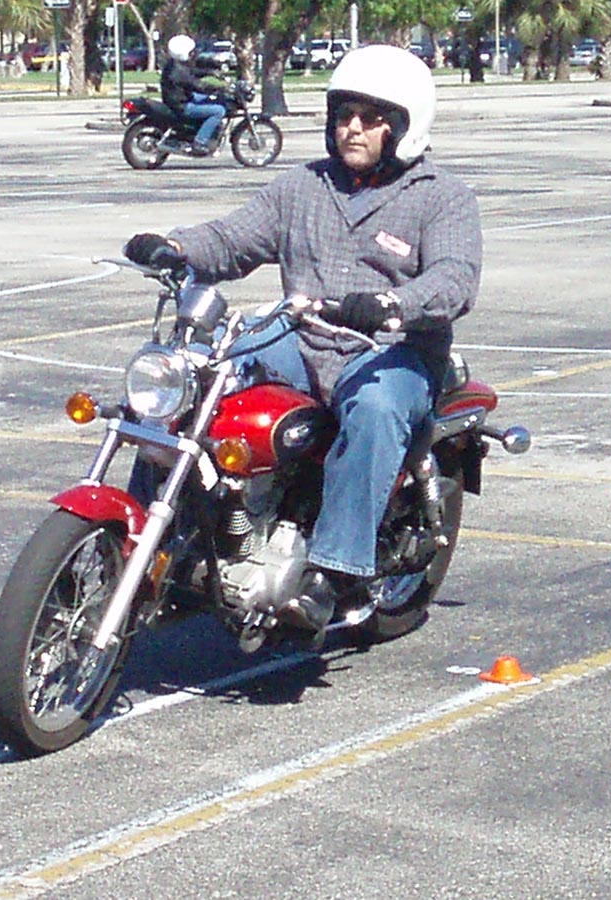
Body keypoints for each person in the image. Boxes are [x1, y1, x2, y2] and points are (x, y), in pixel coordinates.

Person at [123, 44, 482, 638]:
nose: (353, 128)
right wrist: (177, 247)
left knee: (375, 410)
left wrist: (394, 305)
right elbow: (234, 238)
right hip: (302, 336)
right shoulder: (304, 186)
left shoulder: (442, 197)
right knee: (194, 378)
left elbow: (454, 279)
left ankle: (332, 572)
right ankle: (155, 533)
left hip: (392, 351)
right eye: (344, 114)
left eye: (371, 118)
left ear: (404, 127)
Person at [160, 34, 226, 156]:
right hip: (182, 105)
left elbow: (192, 73)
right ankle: (199, 142)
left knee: (212, 100)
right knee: (218, 111)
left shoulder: (175, 65)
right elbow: (198, 86)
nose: (193, 54)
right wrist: (219, 88)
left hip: (182, 98)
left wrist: (210, 72)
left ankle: (206, 131)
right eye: (191, 52)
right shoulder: (177, 72)